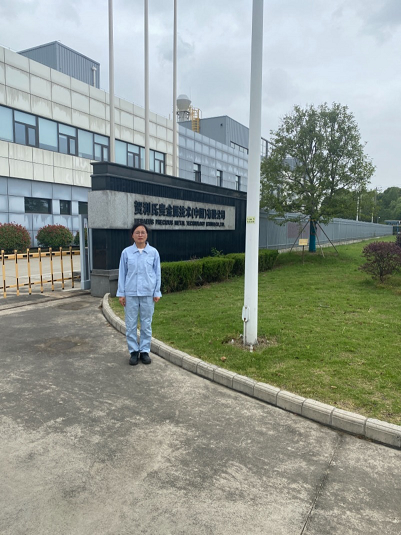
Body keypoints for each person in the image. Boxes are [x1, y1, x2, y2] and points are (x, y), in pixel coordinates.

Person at [117, 223, 161, 366]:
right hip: (130, 293)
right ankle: (134, 352)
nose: (140, 235)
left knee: (146, 324)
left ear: (147, 235)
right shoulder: (126, 253)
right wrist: (121, 294)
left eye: (143, 232)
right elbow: (122, 274)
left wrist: (157, 291)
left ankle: (145, 351)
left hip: (148, 293)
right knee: (130, 324)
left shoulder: (153, 252)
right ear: (132, 235)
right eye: (137, 232)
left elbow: (157, 273)